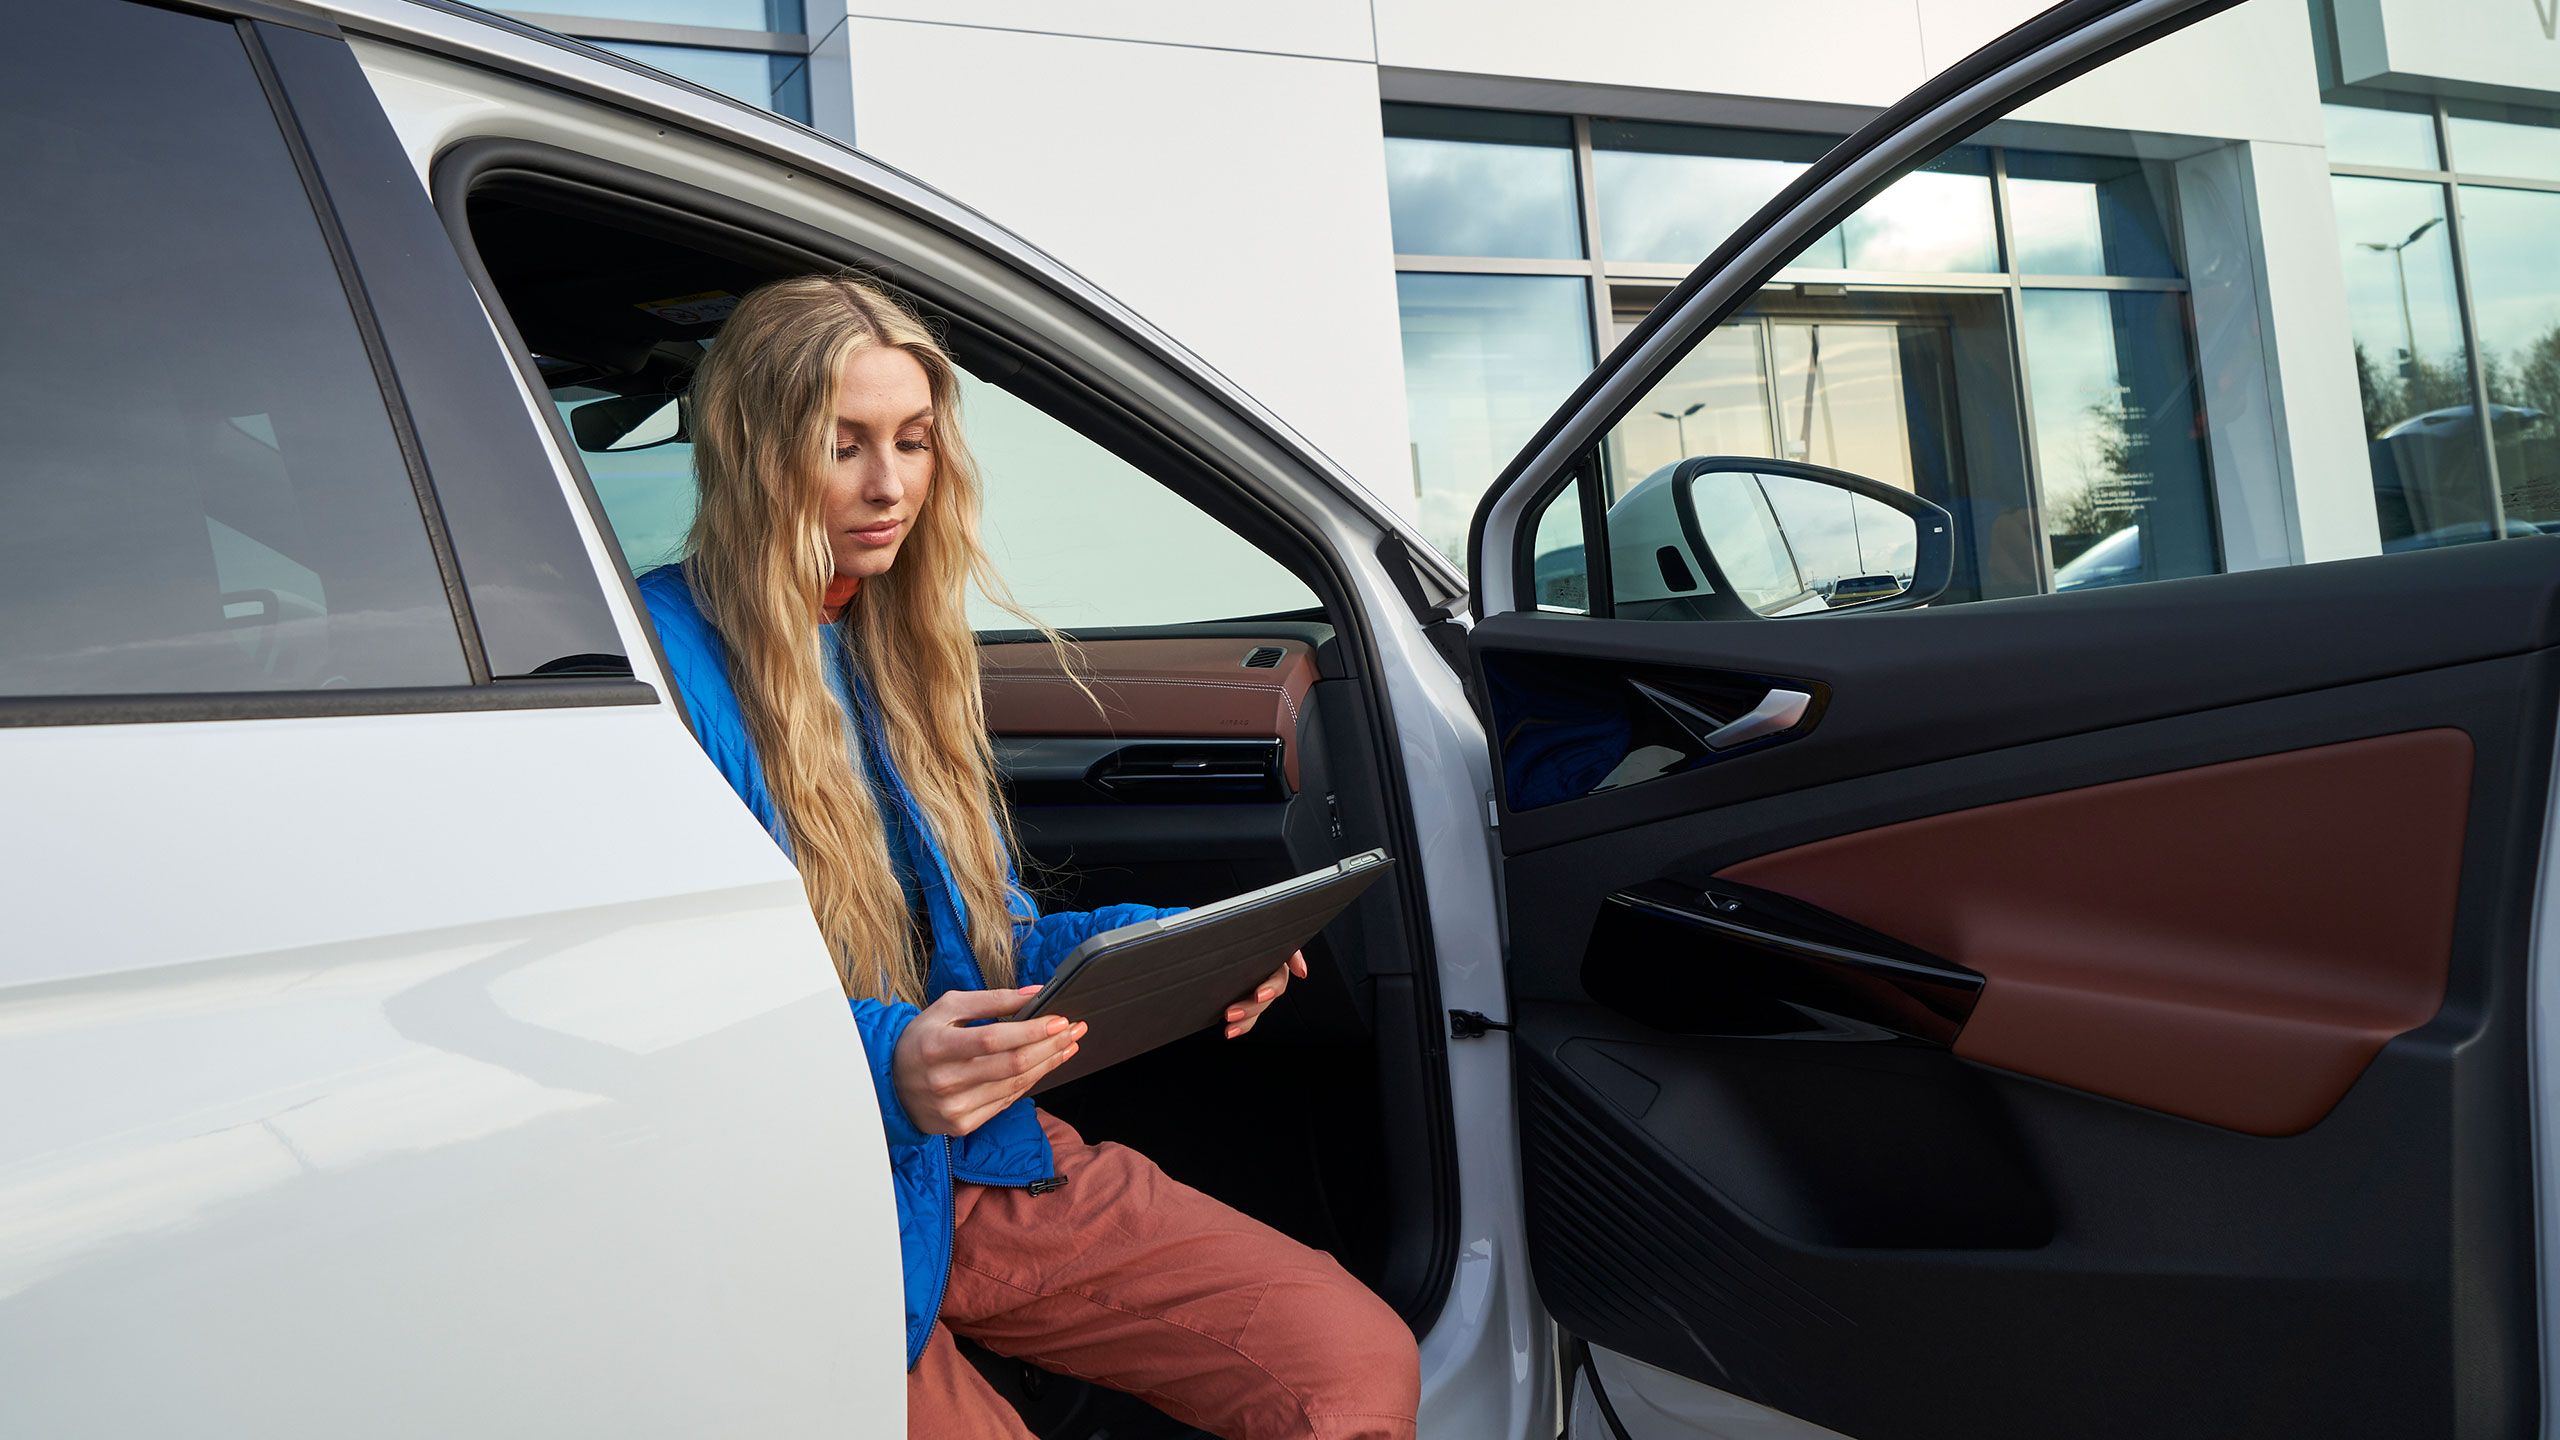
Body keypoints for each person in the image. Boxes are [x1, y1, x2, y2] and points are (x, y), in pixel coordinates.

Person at [636, 274, 1420, 1439]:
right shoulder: (648, 667)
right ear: (752, 450)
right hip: (788, 1202)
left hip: (975, 1162)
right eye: (841, 445)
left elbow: (986, 946)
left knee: (1347, 1367)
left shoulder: (891, 653)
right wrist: (886, 1061)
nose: (890, 485)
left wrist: (1163, 949)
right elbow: (643, 1000)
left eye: (912, 441)